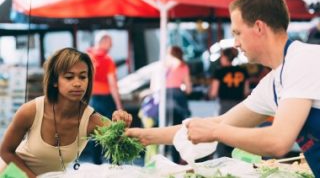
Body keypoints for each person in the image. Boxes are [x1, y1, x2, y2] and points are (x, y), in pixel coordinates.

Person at [126, 0, 320, 177]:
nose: (235, 43)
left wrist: (217, 132)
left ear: (259, 27)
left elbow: (278, 142)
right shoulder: (273, 83)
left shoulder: (302, 59)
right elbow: (217, 122)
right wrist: (145, 136)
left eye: (237, 32)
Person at [0, 48, 132, 178]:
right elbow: (5, 152)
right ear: (54, 81)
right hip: (10, 174)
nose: (77, 83)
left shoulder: (92, 120)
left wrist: (121, 126)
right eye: (69, 77)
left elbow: (123, 147)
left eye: (83, 77)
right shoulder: (31, 111)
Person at [140, 46, 192, 163]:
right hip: (176, 101)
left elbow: (153, 88)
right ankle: (174, 162)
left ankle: (156, 160)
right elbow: (188, 89)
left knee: (159, 131)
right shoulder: (182, 66)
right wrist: (181, 87)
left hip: (160, 101)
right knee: (176, 133)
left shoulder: (158, 66)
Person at [86, 34, 123, 164]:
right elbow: (112, 84)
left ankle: (96, 162)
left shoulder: (86, 57)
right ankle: (113, 161)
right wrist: (119, 105)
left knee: (94, 130)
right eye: (110, 42)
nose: (112, 45)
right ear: (104, 41)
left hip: (91, 99)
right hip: (105, 99)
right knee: (112, 129)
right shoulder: (108, 59)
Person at [208, 47, 249, 157]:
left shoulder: (219, 71)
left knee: (222, 134)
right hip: (240, 106)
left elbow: (213, 92)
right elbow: (246, 91)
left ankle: (223, 161)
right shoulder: (243, 71)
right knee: (237, 134)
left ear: (225, 57)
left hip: (224, 106)